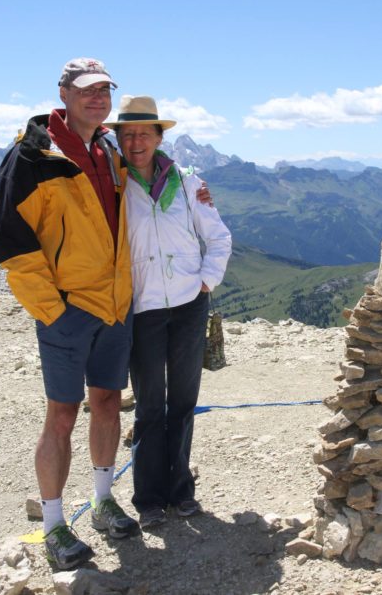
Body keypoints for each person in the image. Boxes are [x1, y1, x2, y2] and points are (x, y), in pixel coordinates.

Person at [0, 58, 141, 571]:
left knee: (106, 402)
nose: (97, 98)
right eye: (87, 90)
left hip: (114, 305)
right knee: (62, 413)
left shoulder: (107, 148)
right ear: (63, 93)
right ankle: (54, 524)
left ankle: (102, 500)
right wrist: (51, 311)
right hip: (68, 310)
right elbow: (12, 243)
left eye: (104, 90)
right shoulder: (32, 156)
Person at [104, 96, 232, 528]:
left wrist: (204, 282)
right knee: (149, 407)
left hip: (188, 306)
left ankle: (180, 491)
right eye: (127, 134)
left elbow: (218, 238)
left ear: (160, 137)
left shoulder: (188, 182)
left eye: (144, 133)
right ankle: (148, 499)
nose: (136, 141)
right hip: (142, 310)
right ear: (118, 139)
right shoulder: (111, 186)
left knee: (182, 401)